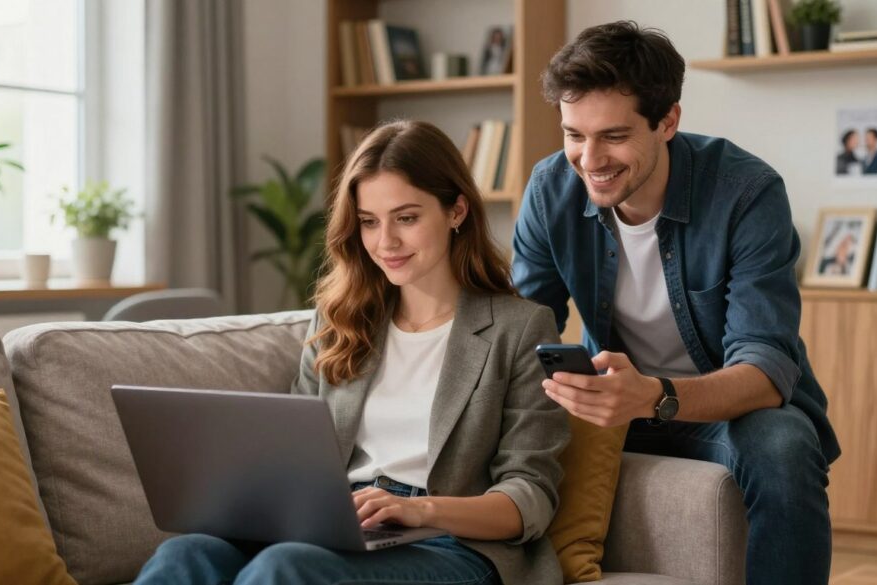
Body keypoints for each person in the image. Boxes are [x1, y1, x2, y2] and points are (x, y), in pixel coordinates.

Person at [135, 120, 569, 585]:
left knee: (285, 569)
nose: (386, 243)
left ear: (456, 211)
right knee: (185, 555)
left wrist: (416, 508)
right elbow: (291, 455)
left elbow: (531, 495)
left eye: (406, 218)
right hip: (339, 525)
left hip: (451, 542)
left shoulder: (519, 328)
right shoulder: (339, 321)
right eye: (368, 222)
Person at [511, 20, 840, 585]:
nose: (589, 159)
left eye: (613, 136)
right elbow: (519, 328)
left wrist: (653, 395)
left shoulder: (747, 192)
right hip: (614, 408)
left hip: (725, 413)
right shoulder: (550, 190)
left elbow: (765, 368)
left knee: (784, 446)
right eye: (573, 134)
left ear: (668, 122)